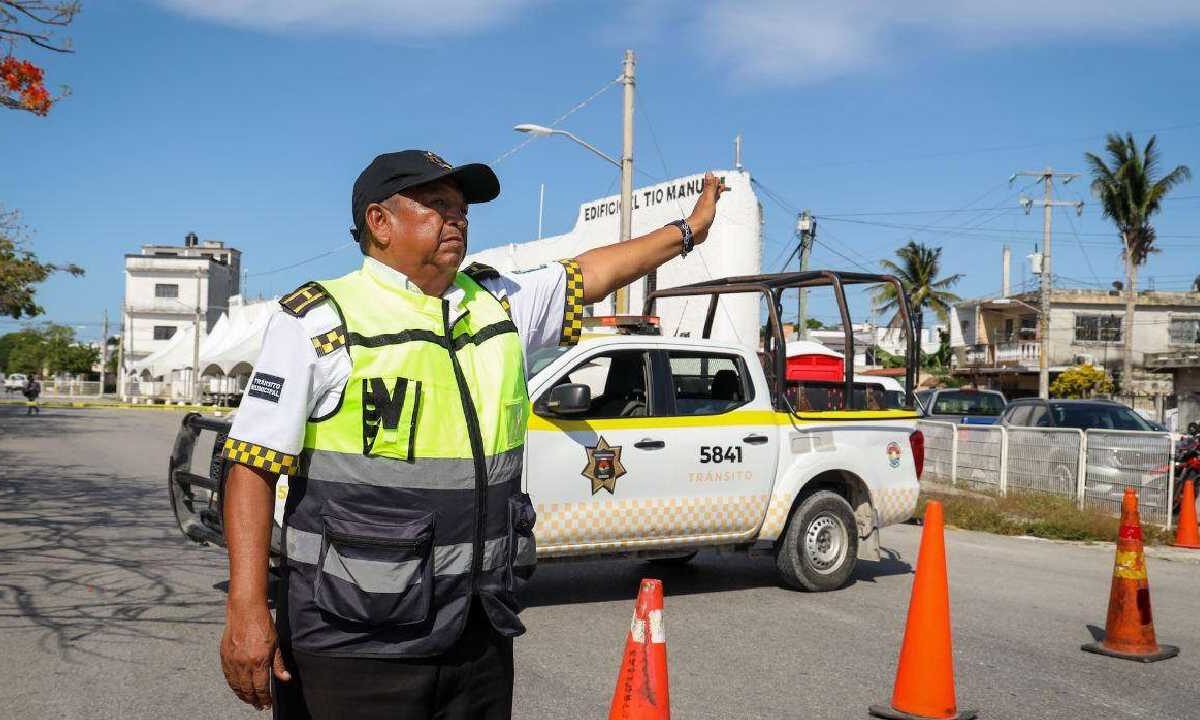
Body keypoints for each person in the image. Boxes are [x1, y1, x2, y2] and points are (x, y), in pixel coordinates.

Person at [218, 149, 725, 720]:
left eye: (461, 209)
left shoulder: (496, 303)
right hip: (354, 640)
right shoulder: (320, 319)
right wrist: (246, 607)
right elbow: (250, 466)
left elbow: (597, 271)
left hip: (477, 631)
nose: (455, 219)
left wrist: (688, 231)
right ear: (379, 224)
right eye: (436, 206)